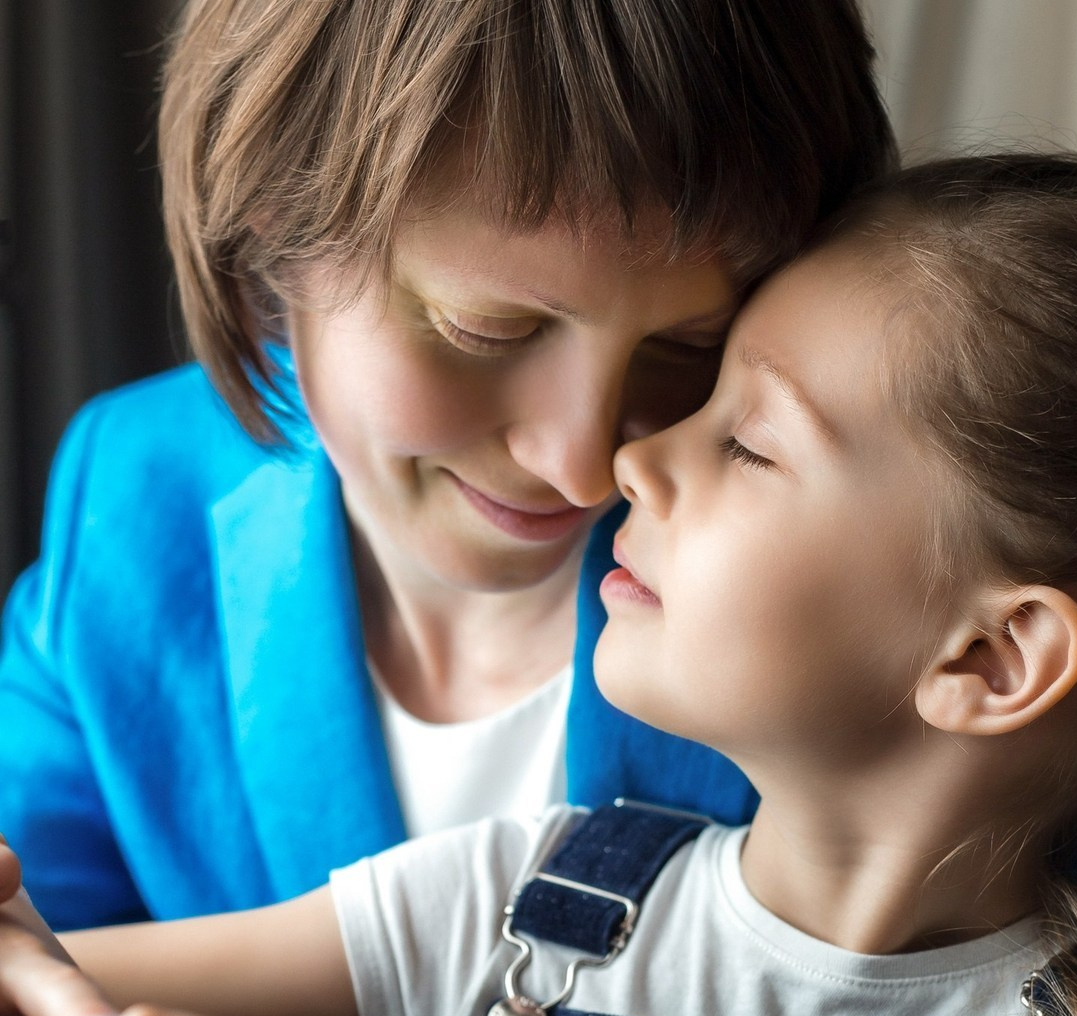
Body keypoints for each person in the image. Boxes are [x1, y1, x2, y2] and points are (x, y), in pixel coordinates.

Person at [3, 153, 1077, 1016]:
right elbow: (51, 986)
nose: (625, 458)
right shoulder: (514, 903)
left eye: (747, 442)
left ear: (995, 655)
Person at [0, 0, 894, 932]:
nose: (581, 469)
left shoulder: (868, 565)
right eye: (488, 328)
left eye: (689, 345)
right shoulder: (135, 497)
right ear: (276, 223)